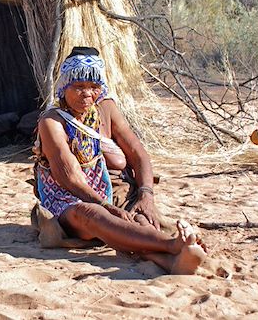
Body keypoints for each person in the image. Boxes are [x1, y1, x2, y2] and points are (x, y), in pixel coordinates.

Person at [33, 46, 207, 275]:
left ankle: (172, 262)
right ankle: (171, 245)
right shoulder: (52, 121)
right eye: (78, 87)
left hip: (115, 190)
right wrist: (106, 206)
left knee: (140, 219)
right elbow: (70, 177)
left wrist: (146, 195)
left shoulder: (106, 108)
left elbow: (138, 154)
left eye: (94, 87)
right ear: (64, 87)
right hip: (68, 199)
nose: (87, 94)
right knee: (92, 215)